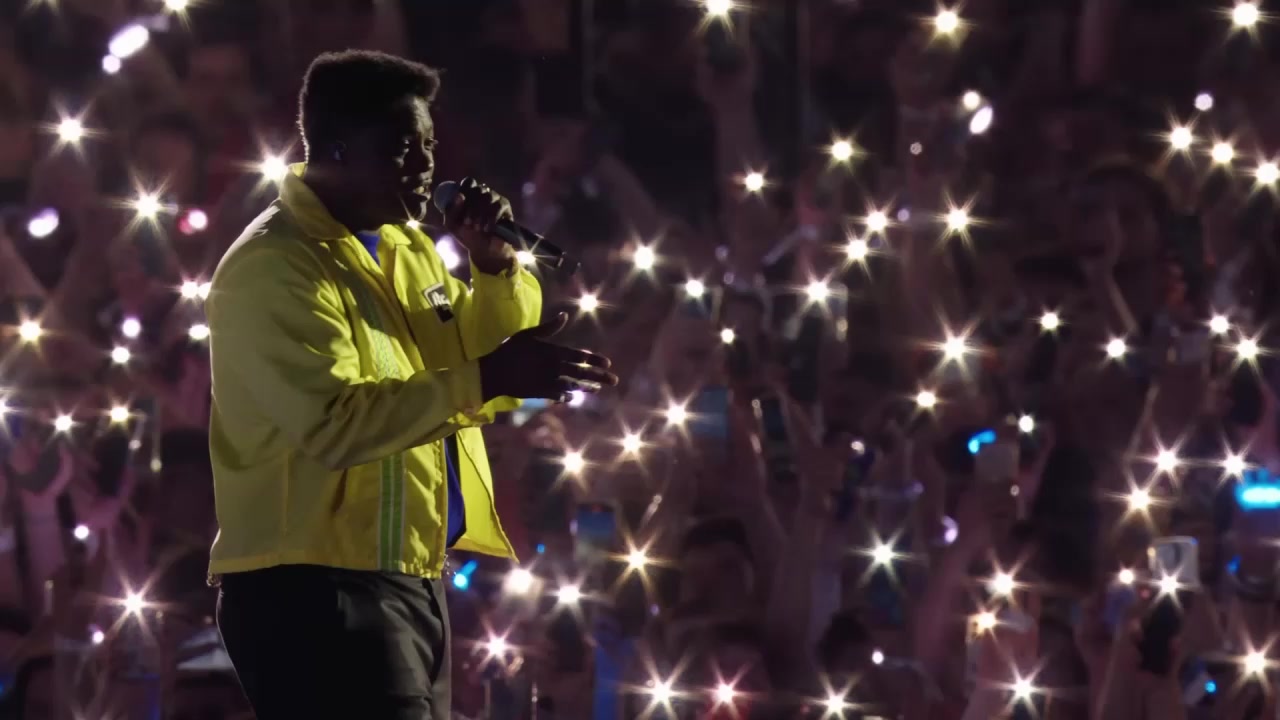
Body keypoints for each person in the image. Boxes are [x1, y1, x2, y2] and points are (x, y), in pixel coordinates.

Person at [206, 50, 618, 720]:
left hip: (409, 575)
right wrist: (489, 375)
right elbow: (335, 424)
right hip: (312, 588)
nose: (426, 165)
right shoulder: (276, 265)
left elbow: (473, 368)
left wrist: (494, 269)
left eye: (428, 145)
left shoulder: (407, 248)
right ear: (337, 150)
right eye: (402, 148)